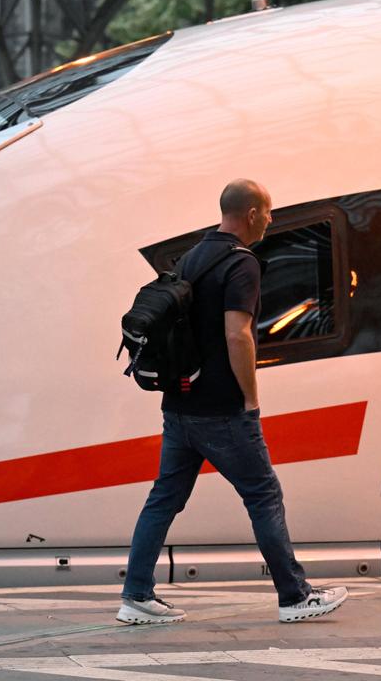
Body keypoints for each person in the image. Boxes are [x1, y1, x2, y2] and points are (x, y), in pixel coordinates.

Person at [116, 179, 347, 625]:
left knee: (164, 497)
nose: (272, 220)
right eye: (269, 212)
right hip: (221, 409)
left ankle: (136, 595)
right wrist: (250, 399)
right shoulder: (242, 264)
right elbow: (237, 333)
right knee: (263, 495)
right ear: (254, 214)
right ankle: (295, 596)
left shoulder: (191, 256)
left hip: (179, 405)